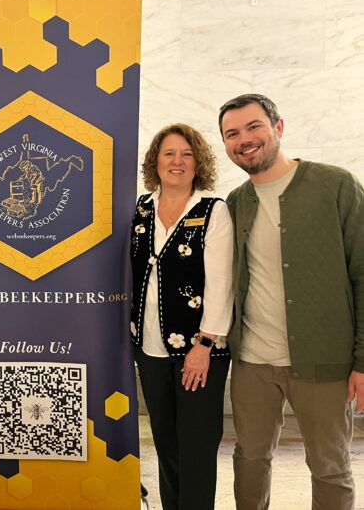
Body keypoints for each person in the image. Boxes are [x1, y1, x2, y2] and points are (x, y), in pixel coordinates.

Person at [221, 93, 364, 510]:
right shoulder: (235, 203)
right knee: (249, 458)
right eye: (232, 134)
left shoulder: (336, 185)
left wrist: (362, 360)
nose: (244, 140)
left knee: (330, 466)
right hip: (252, 361)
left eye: (253, 128)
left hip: (324, 361)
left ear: (278, 128)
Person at [130, 123, 234, 509]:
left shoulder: (213, 211)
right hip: (150, 348)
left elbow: (222, 284)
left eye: (186, 154)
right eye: (169, 153)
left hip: (199, 350)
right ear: (155, 161)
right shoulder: (140, 209)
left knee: (197, 447)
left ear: (198, 163)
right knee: (167, 445)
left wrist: (204, 345)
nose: (177, 161)